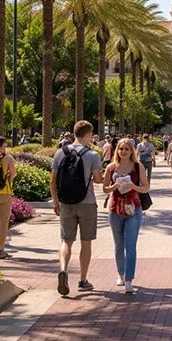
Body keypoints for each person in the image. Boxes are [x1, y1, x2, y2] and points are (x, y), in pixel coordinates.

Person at [51, 120, 103, 295]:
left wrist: (56, 202)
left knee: (66, 240)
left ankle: (63, 269)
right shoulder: (92, 155)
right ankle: (82, 280)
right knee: (86, 242)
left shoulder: (60, 153)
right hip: (87, 203)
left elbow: (53, 181)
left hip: (66, 202)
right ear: (87, 135)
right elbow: (98, 179)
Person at [103, 138, 150, 294]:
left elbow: (146, 188)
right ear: (117, 150)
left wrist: (133, 186)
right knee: (118, 245)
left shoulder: (138, 166)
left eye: (127, 149)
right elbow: (105, 189)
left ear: (131, 151)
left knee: (130, 245)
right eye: (121, 149)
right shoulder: (111, 167)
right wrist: (114, 186)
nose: (123, 152)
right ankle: (120, 274)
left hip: (133, 209)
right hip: (115, 209)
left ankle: (129, 279)